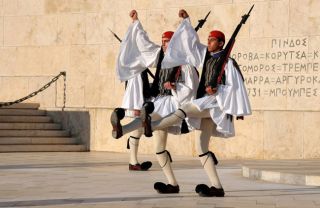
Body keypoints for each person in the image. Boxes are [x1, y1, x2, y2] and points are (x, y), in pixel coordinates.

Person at [113, 9, 251, 197]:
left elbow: (236, 88)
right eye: (208, 39)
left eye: (212, 40)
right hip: (203, 104)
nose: (208, 42)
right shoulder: (205, 55)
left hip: (216, 104)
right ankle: (209, 187)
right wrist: (186, 22)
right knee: (201, 149)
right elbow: (190, 44)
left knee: (185, 109)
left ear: (221, 43)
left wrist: (218, 90)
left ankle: (149, 125)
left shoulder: (229, 63)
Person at [112, 10, 199, 191]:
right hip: (160, 101)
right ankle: (172, 184)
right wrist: (136, 23)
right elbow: (143, 45)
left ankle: (125, 129)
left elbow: (191, 86)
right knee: (159, 148)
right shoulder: (159, 55)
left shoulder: (184, 63)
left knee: (150, 113)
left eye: (168, 42)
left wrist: (174, 86)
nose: (165, 45)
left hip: (173, 104)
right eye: (164, 42)